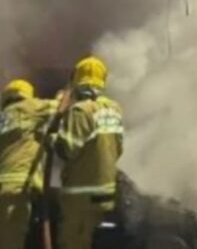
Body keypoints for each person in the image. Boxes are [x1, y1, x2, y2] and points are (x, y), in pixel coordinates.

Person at [55, 56, 124, 249]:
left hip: (80, 195)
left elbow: (66, 149)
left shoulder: (80, 111)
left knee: (72, 242)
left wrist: (53, 137)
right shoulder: (114, 109)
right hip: (105, 193)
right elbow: (119, 148)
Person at [0, 79, 56, 248]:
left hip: (4, 186)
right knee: (11, 239)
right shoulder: (28, 108)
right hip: (17, 187)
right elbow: (59, 107)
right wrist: (62, 95)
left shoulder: (3, 117)